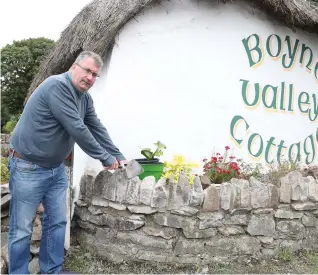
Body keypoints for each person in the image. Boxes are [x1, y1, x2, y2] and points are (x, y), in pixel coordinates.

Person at [8, 51, 128, 274]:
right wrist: (104, 158)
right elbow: (77, 129)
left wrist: (118, 155)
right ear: (75, 67)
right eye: (87, 71)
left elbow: (96, 127)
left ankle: (51, 271)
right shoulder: (57, 86)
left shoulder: (84, 98)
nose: (90, 78)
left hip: (55, 169)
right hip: (28, 167)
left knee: (57, 223)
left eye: (95, 75)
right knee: (21, 229)